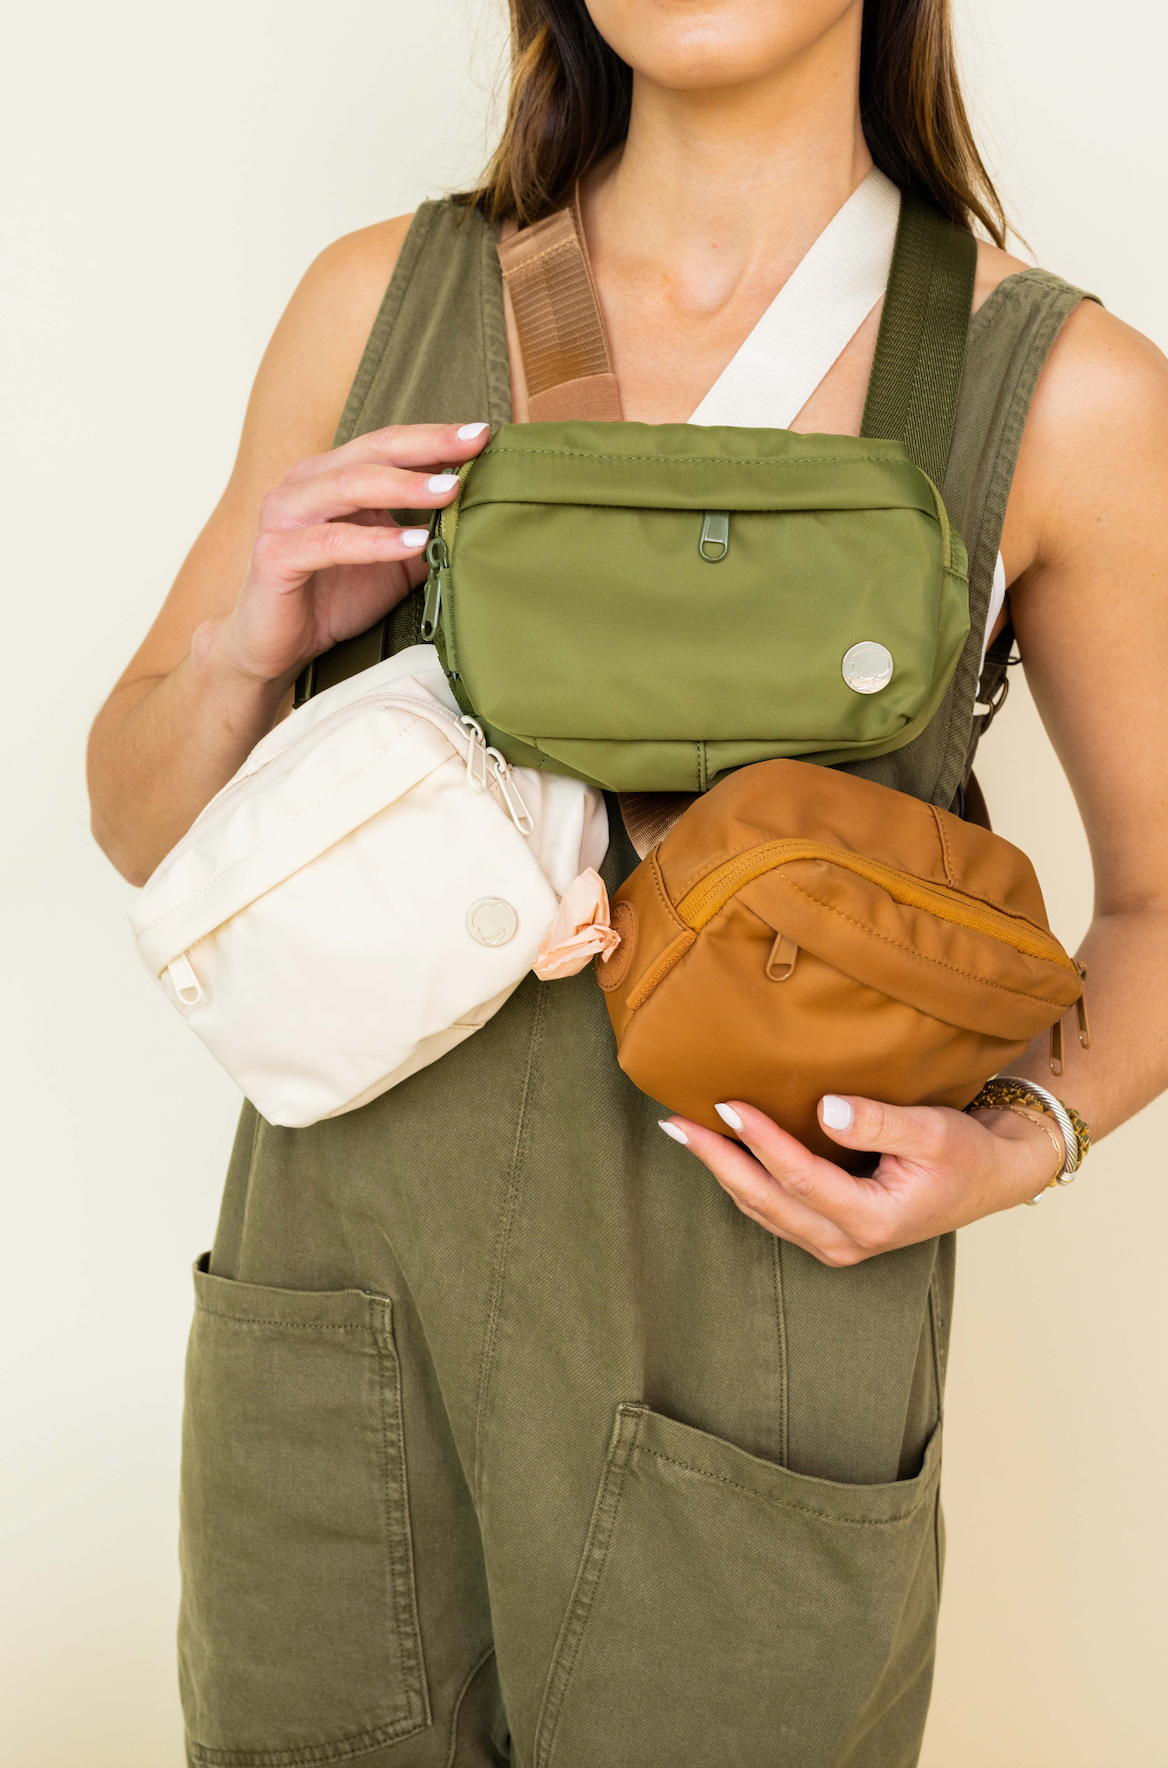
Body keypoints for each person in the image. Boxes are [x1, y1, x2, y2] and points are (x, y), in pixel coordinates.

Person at [87, 2, 1168, 1764]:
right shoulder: (380, 307)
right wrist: (239, 647)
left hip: (767, 1366)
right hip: (346, 1333)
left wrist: (1023, 1143)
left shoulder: (1063, 393)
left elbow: (1158, 909)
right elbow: (143, 830)